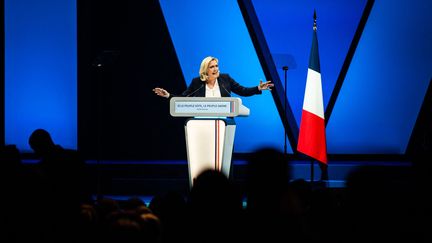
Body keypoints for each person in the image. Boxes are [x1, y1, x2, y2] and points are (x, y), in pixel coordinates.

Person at [153, 56, 273, 98]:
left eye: (216, 66)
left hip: (223, 120)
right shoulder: (197, 82)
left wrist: (258, 88)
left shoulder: (225, 79)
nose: (215, 69)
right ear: (205, 70)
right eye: (211, 67)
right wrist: (168, 95)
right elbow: (184, 98)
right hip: (202, 121)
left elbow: (243, 91)